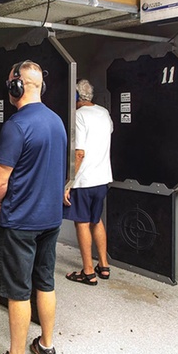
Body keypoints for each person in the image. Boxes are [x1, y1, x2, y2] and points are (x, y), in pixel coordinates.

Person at [0, 60, 67, 354]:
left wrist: (0, 197)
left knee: (19, 291)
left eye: (10, 83)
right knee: (46, 282)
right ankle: (46, 347)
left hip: (21, 223)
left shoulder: (16, 126)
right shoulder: (57, 122)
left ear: (18, 86)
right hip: (51, 219)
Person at [64, 79, 114, 286]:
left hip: (84, 180)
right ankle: (104, 266)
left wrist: (68, 183)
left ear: (76, 97)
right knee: (96, 220)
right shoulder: (103, 113)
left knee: (82, 222)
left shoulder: (79, 116)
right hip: (102, 177)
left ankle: (88, 271)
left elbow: (80, 153)